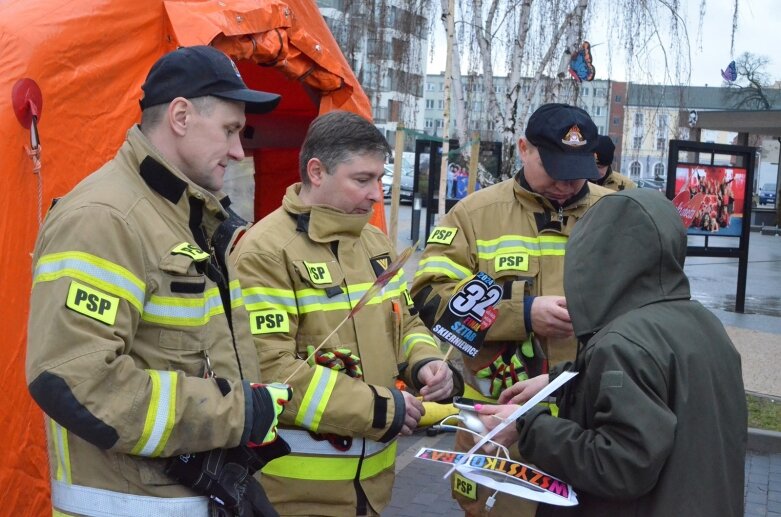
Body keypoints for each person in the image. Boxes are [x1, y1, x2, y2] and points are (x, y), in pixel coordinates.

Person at [26, 45, 292, 517]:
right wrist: (237, 413)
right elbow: (75, 379)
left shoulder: (187, 216)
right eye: (230, 131)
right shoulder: (105, 218)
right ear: (182, 116)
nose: (238, 150)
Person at [231, 110, 462, 516]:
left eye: (380, 178)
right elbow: (271, 374)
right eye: (363, 179)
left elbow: (403, 321)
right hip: (295, 495)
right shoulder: (266, 251)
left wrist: (425, 363)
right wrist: (381, 409)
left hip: (372, 489)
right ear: (316, 172)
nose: (377, 193)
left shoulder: (375, 244)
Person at [477, 188, 747, 517]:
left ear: (596, 255)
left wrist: (527, 426)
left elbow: (621, 465)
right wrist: (561, 382)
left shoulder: (621, 341)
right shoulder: (703, 322)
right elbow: (657, 385)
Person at [410, 103, 611, 516]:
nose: (567, 183)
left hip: (588, 428)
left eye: (577, 170)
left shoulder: (617, 214)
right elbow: (430, 299)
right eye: (555, 168)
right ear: (523, 148)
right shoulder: (474, 215)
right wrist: (523, 313)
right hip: (497, 427)